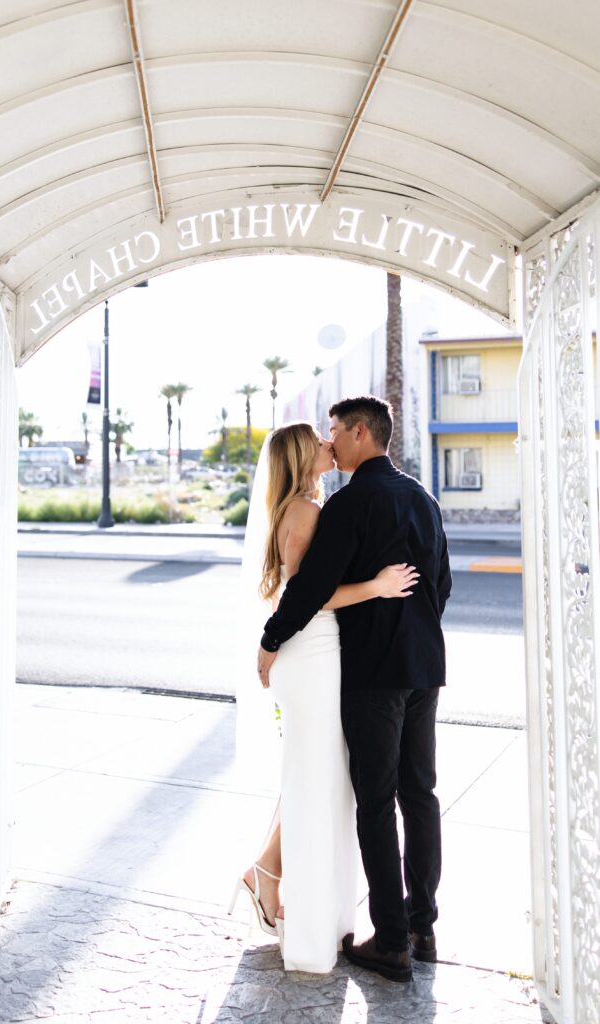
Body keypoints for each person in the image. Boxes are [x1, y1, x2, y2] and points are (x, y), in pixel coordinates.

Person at [258, 397, 451, 983]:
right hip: (423, 668)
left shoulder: (348, 504)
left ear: (361, 432)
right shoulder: (423, 497)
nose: (331, 440)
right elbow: (440, 583)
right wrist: (414, 629)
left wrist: (270, 640)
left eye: (336, 430)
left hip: (371, 674)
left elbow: (309, 588)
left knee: (376, 799)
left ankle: (391, 940)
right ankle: (422, 925)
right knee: (420, 794)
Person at [231, 421, 419, 974]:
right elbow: (309, 595)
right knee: (317, 779)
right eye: (318, 440)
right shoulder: (309, 512)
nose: (327, 444)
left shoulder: (303, 506)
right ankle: (285, 900)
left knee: (317, 777)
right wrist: (377, 587)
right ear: (300, 454)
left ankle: (266, 873)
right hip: (311, 651)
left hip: (310, 654)